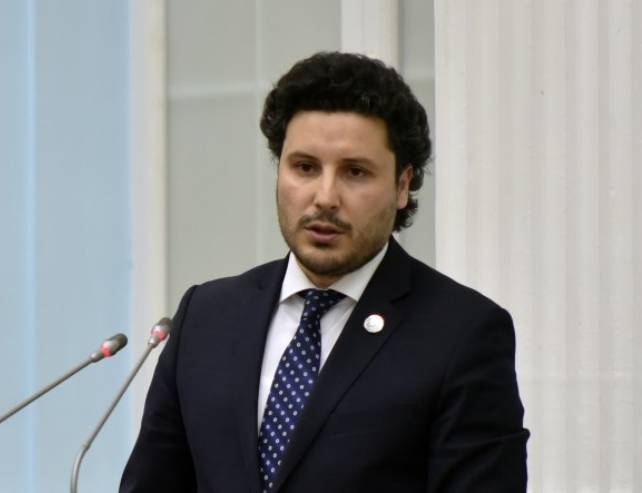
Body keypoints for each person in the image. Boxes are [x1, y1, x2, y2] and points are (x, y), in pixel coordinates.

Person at [120, 52, 529, 492]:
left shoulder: (461, 334)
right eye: (305, 168)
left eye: (355, 172)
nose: (325, 197)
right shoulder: (207, 316)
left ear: (402, 185)